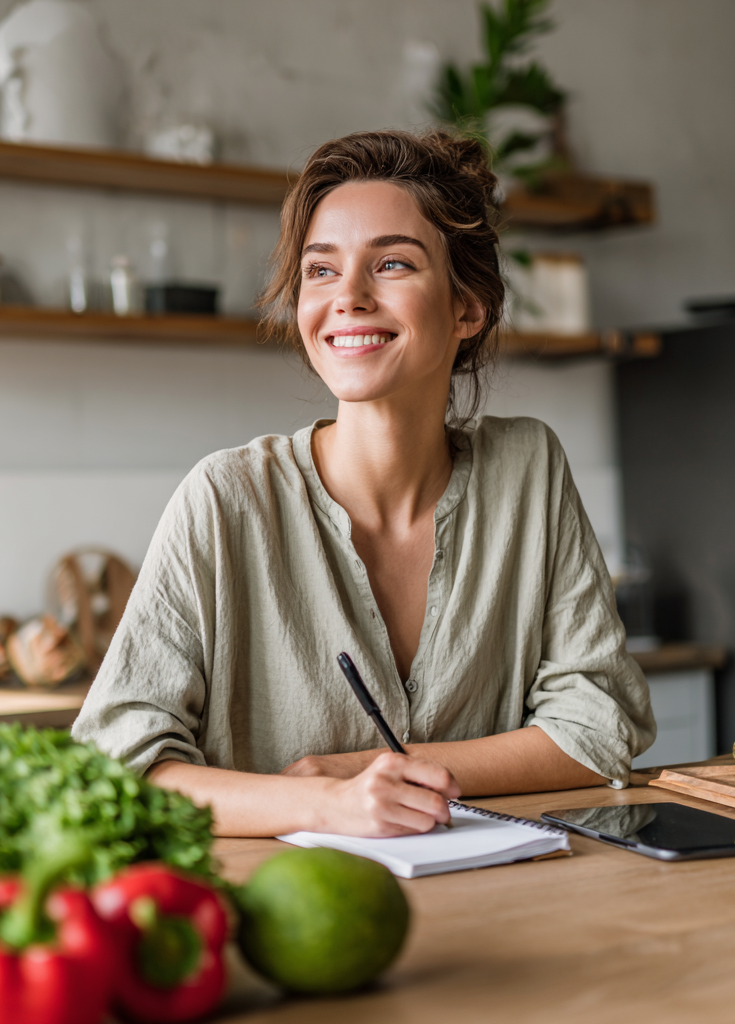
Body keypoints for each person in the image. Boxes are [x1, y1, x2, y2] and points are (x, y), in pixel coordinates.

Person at [72, 129, 655, 838]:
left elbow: (600, 727)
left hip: (499, 891)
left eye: (392, 264)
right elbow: (116, 769)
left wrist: (367, 771)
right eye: (321, 270)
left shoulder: (528, 469)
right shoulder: (225, 499)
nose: (348, 296)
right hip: (284, 899)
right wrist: (325, 805)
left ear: (467, 307)